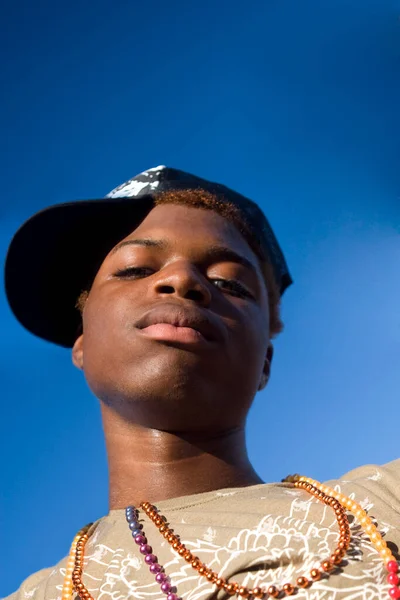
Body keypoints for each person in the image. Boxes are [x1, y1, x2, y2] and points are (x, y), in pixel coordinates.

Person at [4, 166, 400, 600]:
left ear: (265, 361)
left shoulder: (382, 509)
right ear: (82, 342)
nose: (182, 280)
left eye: (229, 283)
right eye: (135, 269)